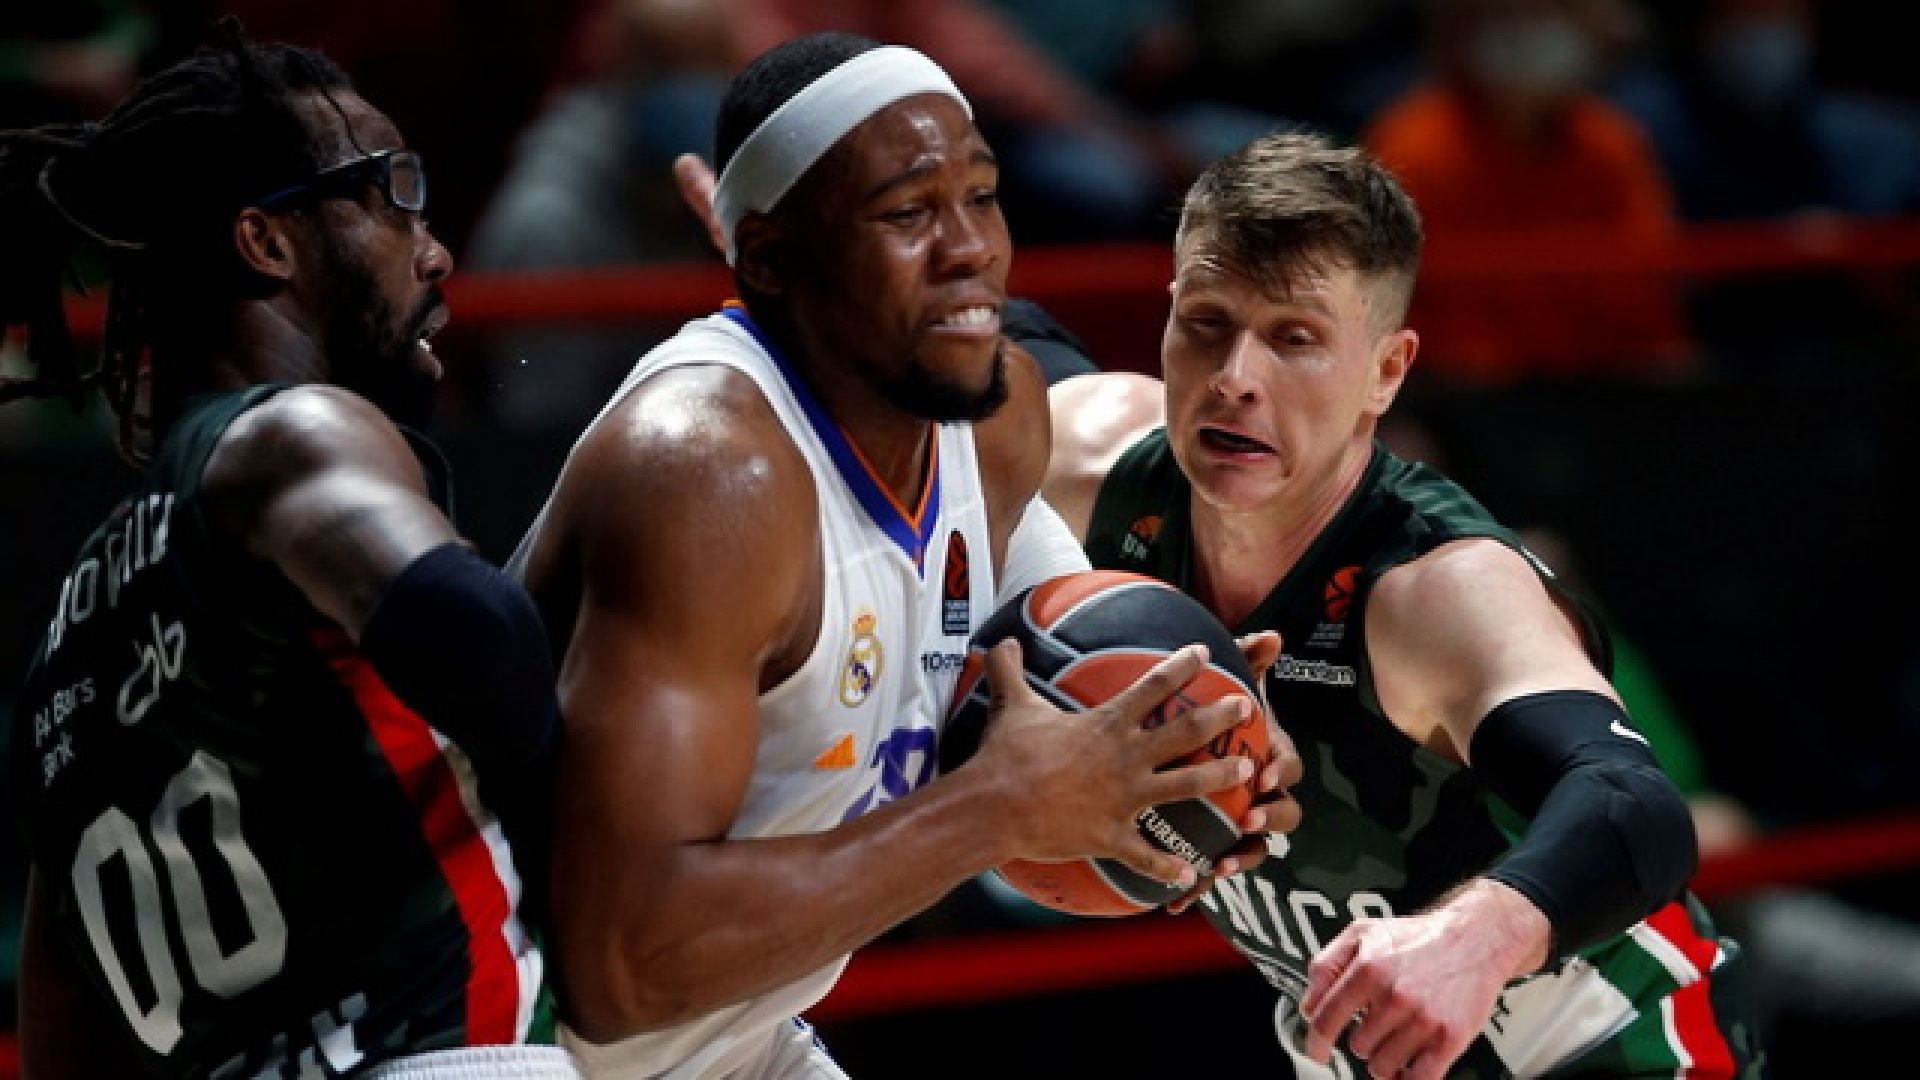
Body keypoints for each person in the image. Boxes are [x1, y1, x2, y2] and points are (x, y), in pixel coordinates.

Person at [510, 32, 1299, 1080]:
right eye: (907, 212)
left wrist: (1198, 742)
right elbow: (618, 970)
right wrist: (997, 807)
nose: (969, 247)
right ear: (768, 258)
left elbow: (1066, 688)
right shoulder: (706, 477)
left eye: (981, 195)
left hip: (731, 1041)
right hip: (508, 1047)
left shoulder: (997, 420)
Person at [1045, 130, 1762, 1078]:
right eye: (1209, 323)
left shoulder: (1435, 586)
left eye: (1296, 339)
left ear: (1386, 372)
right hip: (1366, 1048)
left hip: (1599, 1043)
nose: (1236, 378)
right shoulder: (1088, 466)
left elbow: (1635, 807)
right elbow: (975, 355)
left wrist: (1482, 931)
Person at [3, 25, 580, 1080]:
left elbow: (58, 1046)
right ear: (267, 243)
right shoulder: (288, 433)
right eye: (395, 194)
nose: (436, 250)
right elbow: (484, 642)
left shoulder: (62, 647)